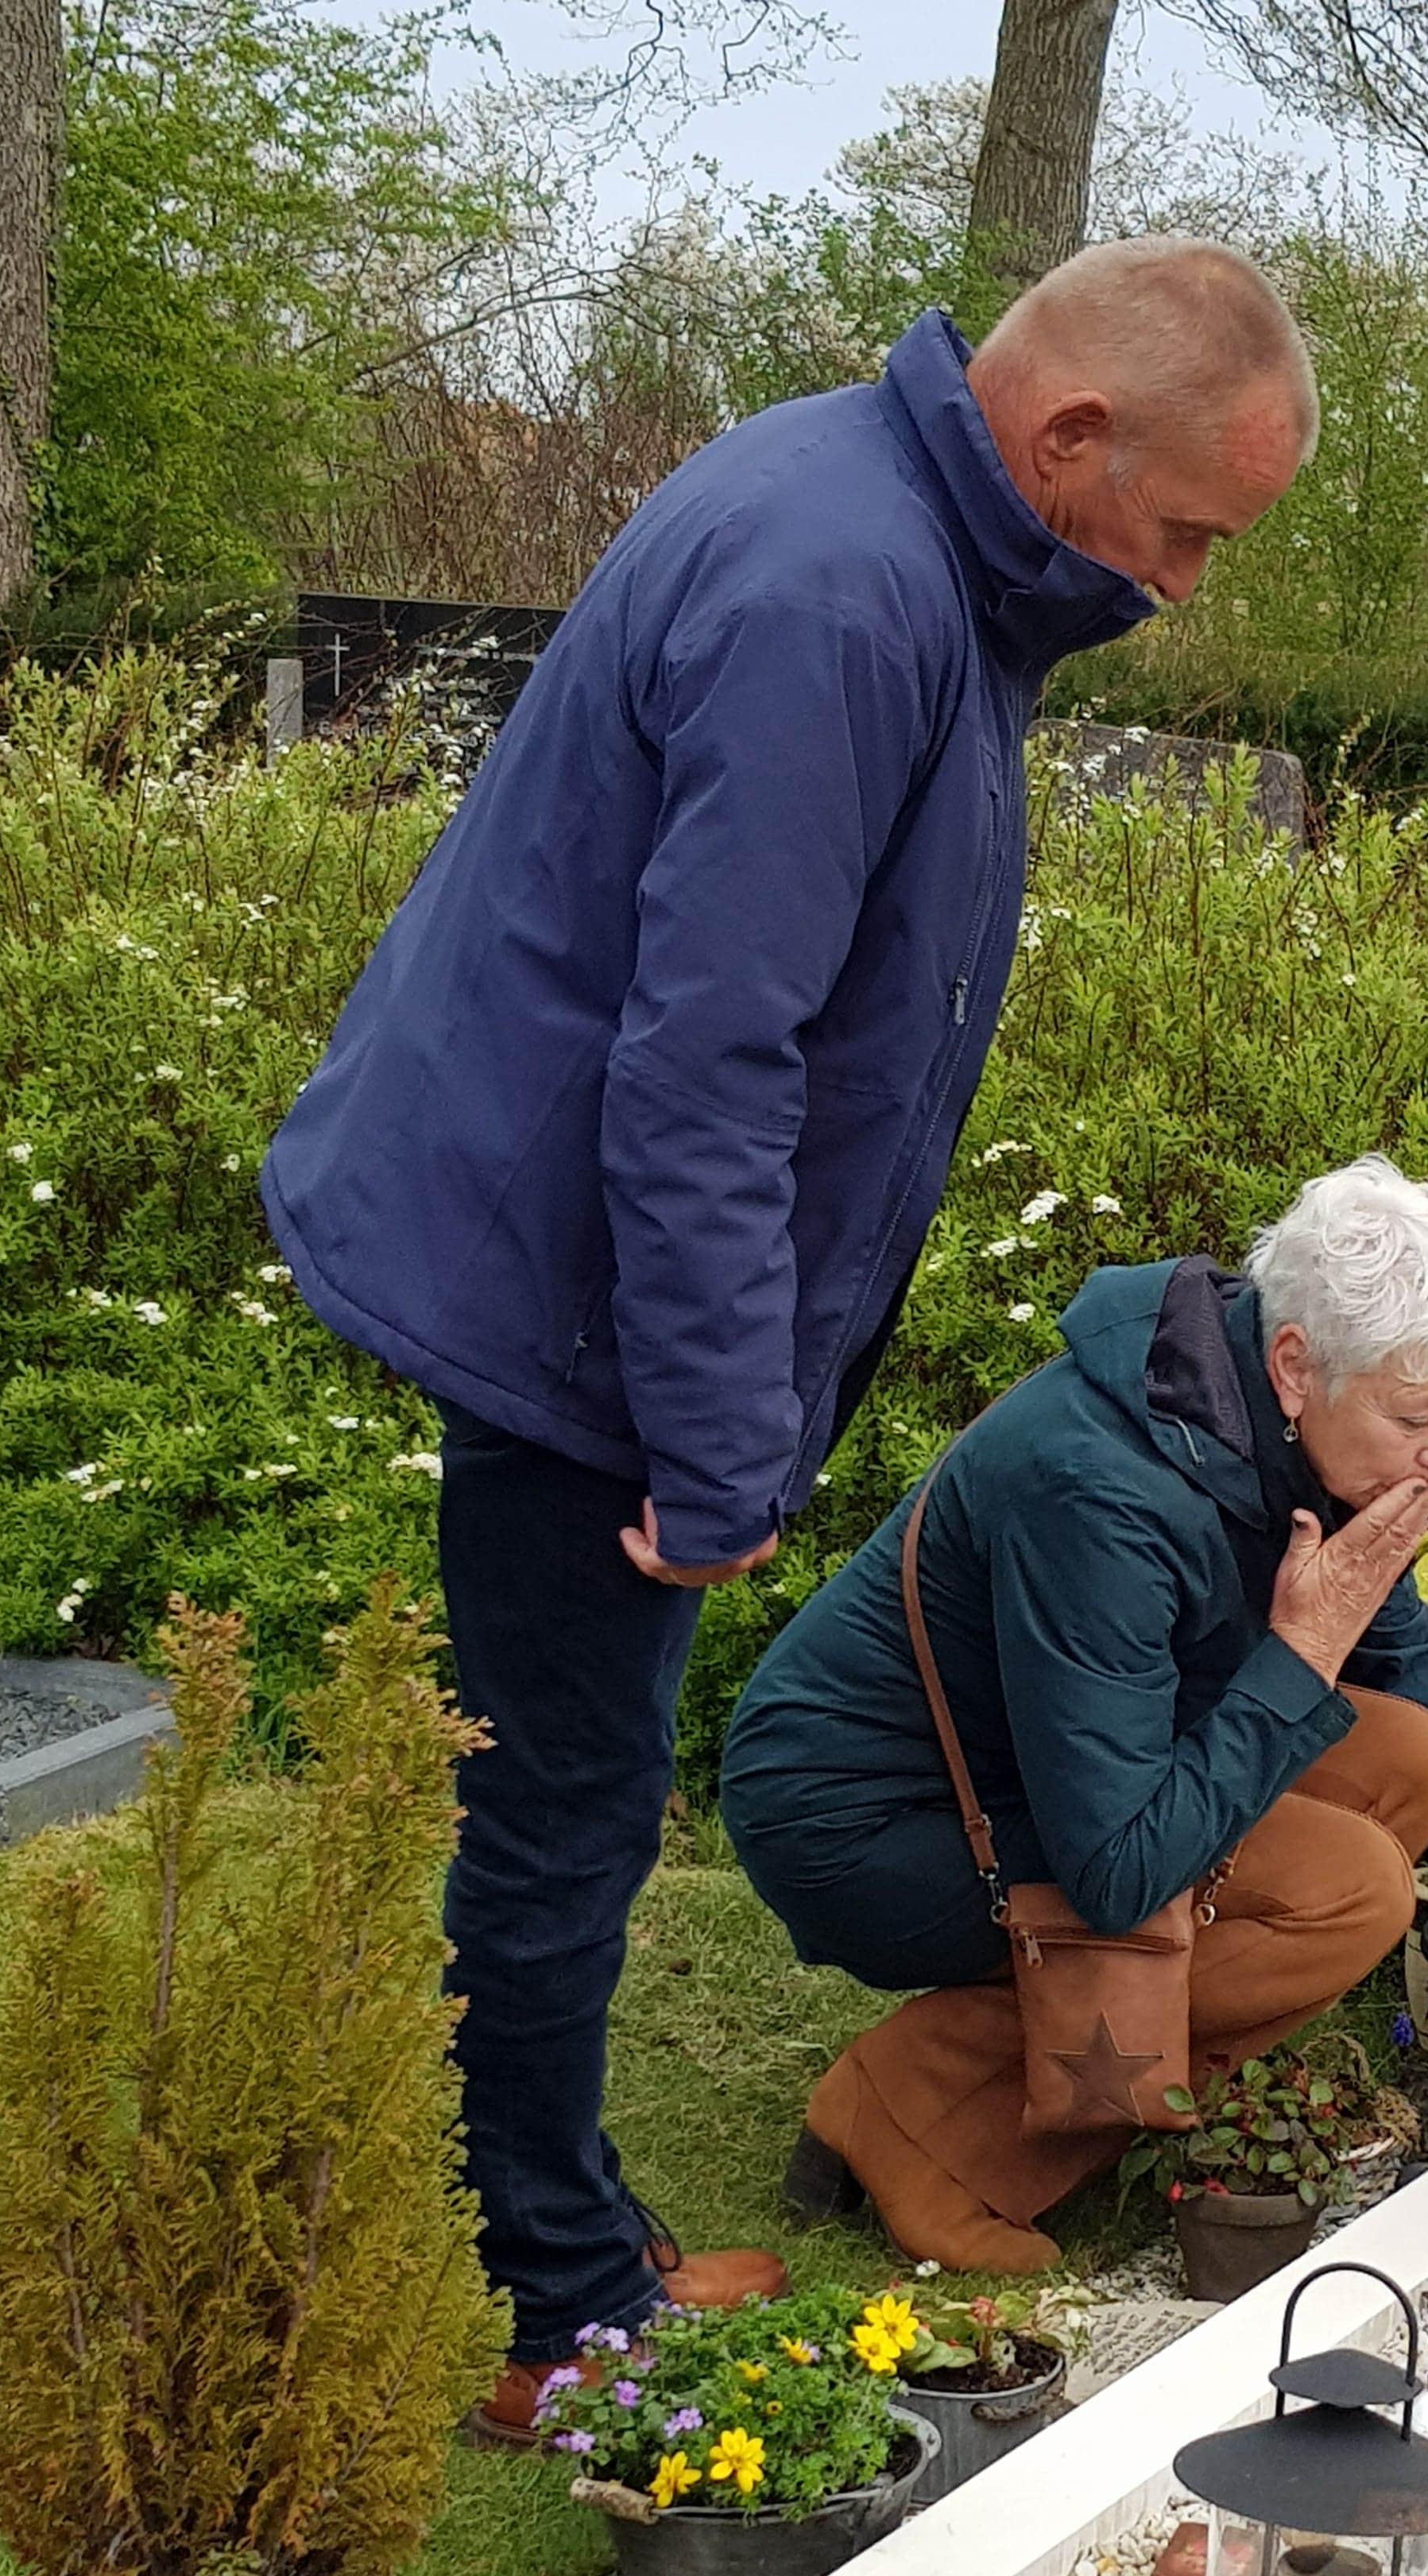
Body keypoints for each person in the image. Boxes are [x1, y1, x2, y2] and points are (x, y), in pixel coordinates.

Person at [257, 243, 1319, 2438]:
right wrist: (717, 1434)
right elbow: (708, 1060)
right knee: (564, 1809)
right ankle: (548, 2313)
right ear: (1071, 437)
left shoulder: (893, 532)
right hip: (579, 1290)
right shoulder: (841, 590)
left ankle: (550, 2229)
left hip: (583, 1263)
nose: (1189, 583)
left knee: (562, 1787)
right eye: (1192, 529)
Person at [720, 1158, 1428, 2272]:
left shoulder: (1286, 1421)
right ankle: (916, 2128)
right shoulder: (1097, 1487)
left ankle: (944, 2085)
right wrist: (1302, 1653)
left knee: (1412, 1762)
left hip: (1050, 1773)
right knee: (1347, 1895)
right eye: (1421, 1416)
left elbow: (1400, 1652)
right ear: (1294, 1365)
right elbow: (1117, 1870)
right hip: (866, 1820)